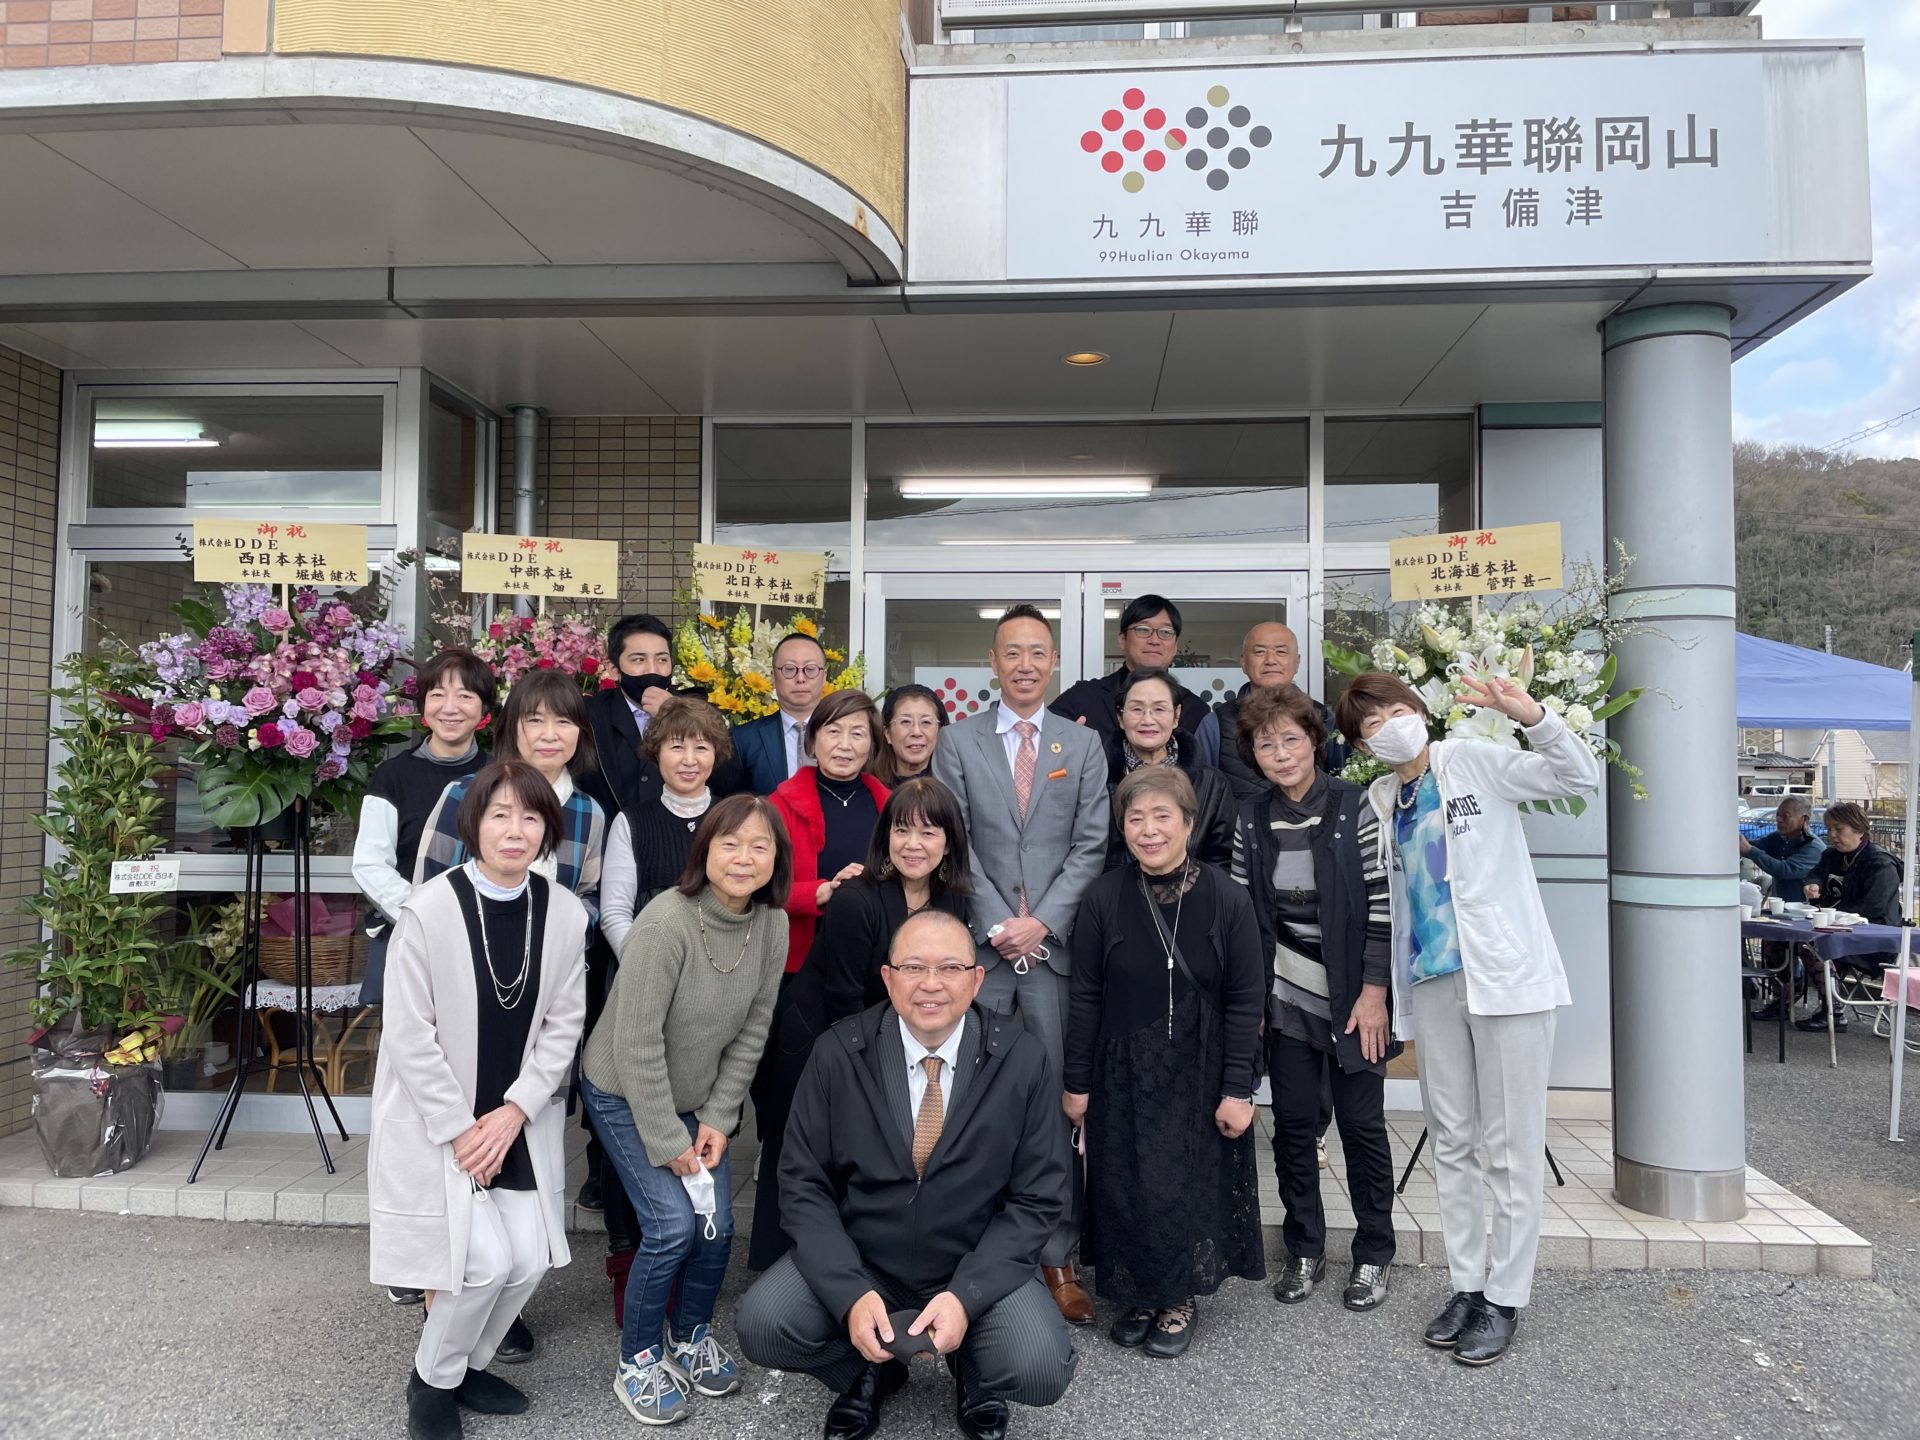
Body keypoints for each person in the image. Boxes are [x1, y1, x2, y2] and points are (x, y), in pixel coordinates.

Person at [1338, 669, 1601, 1367]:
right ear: (1362, 746)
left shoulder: (1474, 761)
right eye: (1370, 726)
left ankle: (1505, 1299)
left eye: (1394, 711)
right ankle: (1467, 1285)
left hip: (1506, 979)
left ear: (1418, 710)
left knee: (1510, 1147)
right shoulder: (1382, 798)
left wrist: (1534, 716)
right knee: (1451, 1140)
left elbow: (1577, 777)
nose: (1388, 728)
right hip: (1433, 981)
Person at [735, 909, 1079, 1440]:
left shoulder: (1021, 1058)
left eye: (950, 968)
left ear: (976, 979)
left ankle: (973, 1369)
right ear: (888, 977)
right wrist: (849, 1293)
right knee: (764, 1325)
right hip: (866, 1260)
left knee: (1040, 1367)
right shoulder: (838, 1053)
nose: (931, 984)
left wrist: (967, 1296)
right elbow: (803, 1182)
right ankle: (869, 1368)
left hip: (972, 1259)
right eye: (913, 967)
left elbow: (1036, 1198)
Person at [368, 760, 588, 1440]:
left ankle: (463, 1366)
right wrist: (462, 1129)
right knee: (482, 1263)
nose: (515, 830)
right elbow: (408, 1034)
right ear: (473, 825)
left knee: (528, 1260)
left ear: (547, 830)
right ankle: (432, 1384)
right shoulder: (428, 909)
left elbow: (564, 1023)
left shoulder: (564, 912)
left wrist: (517, 1109)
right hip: (443, 1121)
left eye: (530, 817)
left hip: (515, 1118)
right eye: (500, 815)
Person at [580, 794, 792, 1425]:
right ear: (705, 851)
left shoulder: (772, 925)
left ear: (776, 858)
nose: (744, 857)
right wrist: (667, 1138)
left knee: (715, 1225)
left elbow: (753, 1031)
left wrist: (719, 1118)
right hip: (624, 1091)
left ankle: (689, 1335)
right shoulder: (665, 921)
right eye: (730, 843)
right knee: (672, 1226)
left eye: (760, 846)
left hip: (698, 1098)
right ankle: (638, 1359)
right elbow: (635, 1043)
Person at [416, 669, 607, 1365]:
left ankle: (498, 1314)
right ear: (511, 728)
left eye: (564, 721)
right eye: (534, 720)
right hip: (465, 1011)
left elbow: (589, 903)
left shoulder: (588, 814)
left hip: (537, 1007)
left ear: (580, 734)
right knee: (458, 1176)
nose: (549, 734)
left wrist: (546, 929)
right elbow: (428, 891)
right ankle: (441, 1316)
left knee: (525, 1176)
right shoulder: (463, 795)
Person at [932, 603, 1108, 1325]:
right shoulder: (957, 741)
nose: (1026, 664)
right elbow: (954, 839)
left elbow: (1092, 843)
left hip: (1054, 955)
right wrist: (1002, 924)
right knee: (968, 1107)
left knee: (1057, 1109)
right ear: (994, 661)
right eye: (1013, 651)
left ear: (1053, 661)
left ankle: (1057, 1257)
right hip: (983, 956)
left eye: (1038, 651)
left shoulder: (1082, 744)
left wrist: (1042, 922)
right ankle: (970, 1256)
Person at [1064, 767, 1265, 1358]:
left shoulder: (1227, 897)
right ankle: (1140, 1294)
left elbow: (1246, 1000)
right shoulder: (1103, 896)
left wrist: (1239, 1088)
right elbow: (1085, 996)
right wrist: (1076, 1082)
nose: (1148, 830)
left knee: (1185, 1182)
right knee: (1126, 1181)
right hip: (1123, 1068)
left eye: (1162, 817)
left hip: (1200, 1067)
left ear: (1188, 823)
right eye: (1136, 818)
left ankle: (1177, 1298)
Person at [748, 776, 974, 1271]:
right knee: (805, 1148)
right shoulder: (856, 897)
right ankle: (780, 1267)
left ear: (949, 841)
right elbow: (844, 997)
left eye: (928, 832)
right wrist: (874, 1073)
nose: (913, 844)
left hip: (887, 1036)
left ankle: (851, 1264)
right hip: (820, 1036)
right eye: (902, 830)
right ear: (885, 836)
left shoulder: (953, 901)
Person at [1231, 684, 1398, 1312]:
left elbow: (1381, 905)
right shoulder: (1251, 817)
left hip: (1355, 995)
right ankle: (1304, 1248)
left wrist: (1374, 993)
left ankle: (1374, 1252)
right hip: (1286, 996)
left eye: (1290, 739)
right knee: (1295, 1126)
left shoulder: (1356, 806)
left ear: (1314, 741)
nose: (1280, 754)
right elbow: (1244, 917)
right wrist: (1251, 1005)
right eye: (1265, 744)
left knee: (1361, 1126)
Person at [593, 695, 731, 1320]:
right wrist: (656, 973)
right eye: (677, 745)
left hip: (712, 1000)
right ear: (657, 752)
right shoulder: (633, 821)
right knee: (633, 1128)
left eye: (701, 745)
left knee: (694, 1118)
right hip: (642, 992)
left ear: (716, 755)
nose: (689, 757)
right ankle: (630, 1260)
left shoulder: (732, 821)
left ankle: (690, 1260)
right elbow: (614, 913)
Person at [352, 646, 494, 1067]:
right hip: (411, 935)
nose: (450, 707)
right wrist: (424, 914)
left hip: (485, 936)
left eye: (465, 695)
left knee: (478, 1055)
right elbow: (370, 863)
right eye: (437, 695)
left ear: (484, 709)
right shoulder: (393, 776)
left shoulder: (500, 775)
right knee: (412, 1059)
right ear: (423, 706)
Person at [768, 689, 892, 979]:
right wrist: (820, 892)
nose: (844, 745)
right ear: (813, 741)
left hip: (876, 960)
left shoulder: (890, 806)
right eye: (833, 731)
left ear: (872, 745)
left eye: (857, 734)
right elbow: (761, 887)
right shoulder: (779, 806)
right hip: (801, 964)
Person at [582, 612, 747, 823]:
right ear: (614, 669)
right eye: (639, 659)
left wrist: (675, 713)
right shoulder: (589, 715)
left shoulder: (701, 714)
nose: (652, 669)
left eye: (662, 659)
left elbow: (729, 781)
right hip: (611, 834)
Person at [1051, 593, 1220, 766]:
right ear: (1122, 640)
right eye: (1143, 630)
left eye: (1166, 632)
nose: (1154, 640)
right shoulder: (1082, 698)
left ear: (1175, 646)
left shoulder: (1196, 709)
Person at [1100, 667, 1234, 871]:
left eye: (1159, 709)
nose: (1147, 720)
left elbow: (1221, 860)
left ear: (1176, 716)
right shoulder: (1097, 780)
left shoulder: (1212, 784)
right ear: (1120, 717)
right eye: (1137, 709)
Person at [1795, 800, 1903, 1034]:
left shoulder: (1880, 863)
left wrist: (1832, 915)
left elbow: (1873, 908)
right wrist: (1812, 884)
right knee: (1782, 939)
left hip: (1872, 939)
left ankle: (1833, 1011)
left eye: (1838, 829)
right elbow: (1816, 873)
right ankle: (1783, 999)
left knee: (1812, 946)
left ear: (1859, 830)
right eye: (1829, 829)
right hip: (1835, 929)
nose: (1832, 835)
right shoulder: (1831, 855)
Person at [1214, 622, 1346, 801]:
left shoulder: (1325, 719)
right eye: (1260, 652)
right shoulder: (1216, 722)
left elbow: (1340, 787)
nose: (1270, 660)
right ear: (1243, 662)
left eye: (1281, 651)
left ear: (1297, 662)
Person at [1740, 795, 1823, 1024]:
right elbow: (1754, 845)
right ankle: (1782, 998)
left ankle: (1829, 1007)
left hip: (1807, 916)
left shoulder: (1813, 847)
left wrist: (1750, 851)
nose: (1779, 820)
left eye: (1785, 816)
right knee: (1770, 943)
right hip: (1782, 914)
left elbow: (1785, 869)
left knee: (1809, 949)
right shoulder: (1779, 839)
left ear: (1804, 819)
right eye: (1777, 815)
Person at [733, 632, 830, 795]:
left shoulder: (847, 736)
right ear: (773, 677)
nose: (800, 678)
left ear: (824, 676)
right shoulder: (742, 740)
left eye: (810, 669)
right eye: (789, 669)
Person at [873, 683, 949, 785]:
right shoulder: (869, 787)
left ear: (940, 731)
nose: (916, 732)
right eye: (905, 722)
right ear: (887, 733)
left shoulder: (955, 786)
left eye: (926, 722)